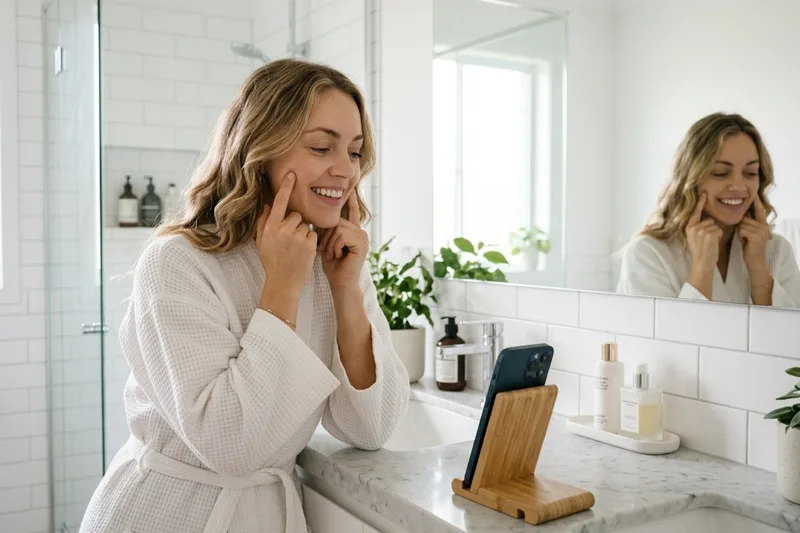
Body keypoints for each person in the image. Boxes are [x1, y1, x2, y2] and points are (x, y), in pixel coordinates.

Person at [80, 59, 410, 533]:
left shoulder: (335, 263)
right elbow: (231, 446)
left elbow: (371, 429)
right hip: (166, 511)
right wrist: (281, 288)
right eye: (321, 147)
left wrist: (345, 291)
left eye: (355, 152)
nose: (345, 170)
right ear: (261, 148)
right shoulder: (178, 262)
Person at [617, 112, 800, 307]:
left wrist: (759, 269)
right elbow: (659, 328)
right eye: (721, 173)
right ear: (691, 178)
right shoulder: (649, 253)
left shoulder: (777, 250)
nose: (739, 186)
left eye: (750, 173)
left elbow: (790, 327)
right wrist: (702, 268)